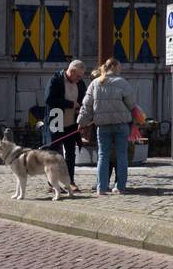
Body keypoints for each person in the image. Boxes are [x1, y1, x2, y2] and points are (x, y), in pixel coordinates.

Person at [77, 58, 137, 196]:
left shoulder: (95, 83)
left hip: (103, 126)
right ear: (114, 66)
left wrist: (81, 123)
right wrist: (137, 120)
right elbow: (132, 104)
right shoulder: (122, 83)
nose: (121, 69)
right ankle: (120, 187)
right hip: (121, 125)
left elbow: (86, 106)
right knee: (122, 156)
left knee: (103, 156)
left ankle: (101, 188)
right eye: (120, 67)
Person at [44, 60, 86, 193]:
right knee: (54, 154)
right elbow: (49, 100)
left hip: (72, 124)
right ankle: (52, 183)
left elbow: (84, 99)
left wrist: (81, 109)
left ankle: (70, 181)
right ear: (72, 71)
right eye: (78, 76)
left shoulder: (80, 83)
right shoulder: (55, 80)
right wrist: (70, 104)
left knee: (70, 154)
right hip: (56, 122)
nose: (80, 79)